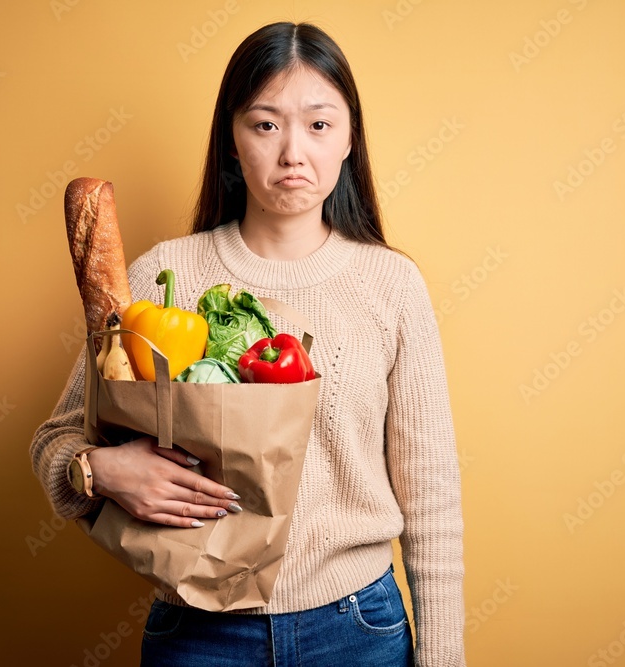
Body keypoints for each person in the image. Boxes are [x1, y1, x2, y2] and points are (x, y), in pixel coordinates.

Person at [30, 21, 465, 667]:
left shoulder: (391, 284)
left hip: (357, 628)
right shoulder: (159, 277)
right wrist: (101, 471)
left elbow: (430, 491)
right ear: (232, 141)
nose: (293, 152)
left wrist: (445, 657)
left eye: (319, 124)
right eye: (265, 124)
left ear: (350, 138)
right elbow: (54, 441)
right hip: (198, 633)